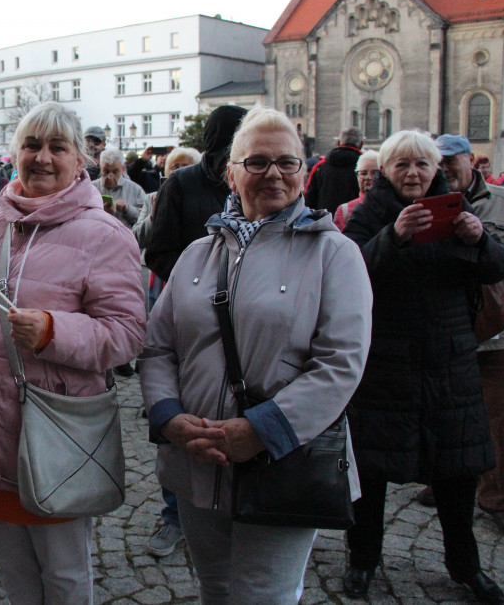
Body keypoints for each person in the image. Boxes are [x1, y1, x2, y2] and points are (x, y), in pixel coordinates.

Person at [140, 106, 373, 602]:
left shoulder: (335, 255)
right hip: (197, 456)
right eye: (257, 162)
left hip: (285, 459)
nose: (274, 173)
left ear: (303, 171)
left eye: (287, 163)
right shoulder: (197, 255)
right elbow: (158, 346)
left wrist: (262, 431)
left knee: (264, 594)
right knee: (215, 587)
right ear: (231, 173)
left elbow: (341, 364)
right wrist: (169, 418)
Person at [0, 102, 145, 604]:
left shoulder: (104, 234)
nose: (43, 158)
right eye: (31, 145)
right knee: (11, 565)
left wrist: (53, 330)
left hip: (50, 432)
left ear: (79, 162)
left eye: (57, 147)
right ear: (14, 155)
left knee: (64, 572)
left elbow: (128, 334)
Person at [341, 130, 504, 603]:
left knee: (456, 471)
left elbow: (498, 269)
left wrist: (478, 241)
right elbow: (348, 269)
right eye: (401, 166)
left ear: (435, 168)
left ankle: (466, 567)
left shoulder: (455, 206)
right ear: (387, 171)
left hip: (449, 359)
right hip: (384, 361)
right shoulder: (367, 213)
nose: (413, 174)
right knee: (371, 472)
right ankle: (363, 560)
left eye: (421, 165)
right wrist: (393, 237)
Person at [426, 134, 504, 536]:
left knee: (497, 416)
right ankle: (441, 479)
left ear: (470, 161)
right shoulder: (426, 202)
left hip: (491, 328)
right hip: (443, 326)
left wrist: (486, 249)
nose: (445, 168)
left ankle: (497, 498)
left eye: (451, 160)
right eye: (439, 161)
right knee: (439, 409)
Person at [145, 105, 248, 283]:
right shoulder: (180, 183)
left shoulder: (251, 182)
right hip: (197, 301)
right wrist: (200, 287)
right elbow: (159, 254)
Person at [304, 126, 364, 213]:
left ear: (338, 142)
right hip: (355, 219)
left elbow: (309, 198)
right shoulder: (367, 168)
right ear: (361, 144)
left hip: (325, 222)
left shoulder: (320, 166)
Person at [93, 149, 145, 227]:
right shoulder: (91, 188)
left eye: (115, 172)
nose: (110, 176)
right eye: (106, 171)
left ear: (123, 169)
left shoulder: (135, 190)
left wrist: (127, 209)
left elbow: (144, 220)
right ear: (100, 168)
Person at [332, 150, 380, 231]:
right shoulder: (344, 211)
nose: (368, 177)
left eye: (374, 173)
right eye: (363, 173)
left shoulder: (391, 206)